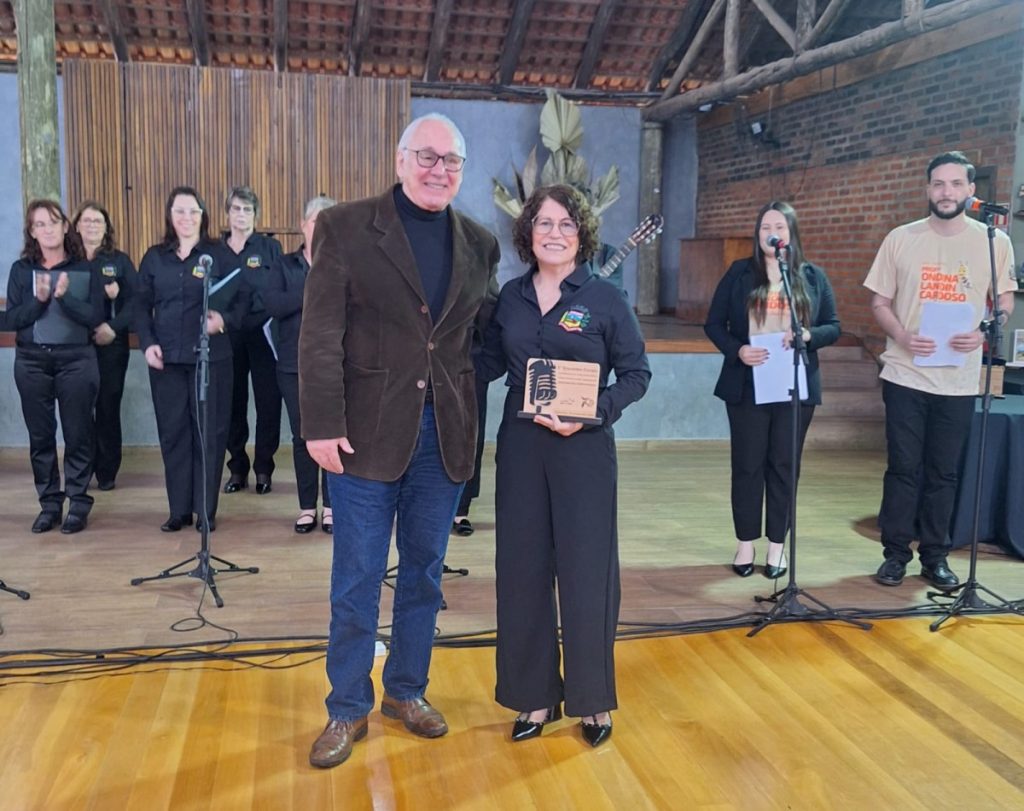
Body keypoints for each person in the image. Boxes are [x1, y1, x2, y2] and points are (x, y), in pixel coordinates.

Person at [299, 113, 499, 769]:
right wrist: (321, 422)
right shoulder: (345, 227)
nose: (439, 169)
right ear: (400, 159)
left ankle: (407, 690)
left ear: (461, 170)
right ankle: (346, 705)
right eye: (427, 156)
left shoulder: (480, 243)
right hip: (362, 434)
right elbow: (319, 333)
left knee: (424, 574)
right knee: (357, 576)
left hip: (443, 437)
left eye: (452, 160)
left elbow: (485, 334)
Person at [477, 185, 651, 748]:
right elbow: (483, 361)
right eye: (544, 223)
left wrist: (595, 411)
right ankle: (534, 695)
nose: (555, 233)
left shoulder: (604, 298)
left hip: (584, 451)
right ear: (528, 233)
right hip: (522, 448)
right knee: (522, 570)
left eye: (566, 224)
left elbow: (636, 374)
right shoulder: (510, 297)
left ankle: (592, 700)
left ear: (582, 234)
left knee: (587, 573)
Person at [865, 150, 1016, 589]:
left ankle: (935, 556)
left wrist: (984, 331)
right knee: (903, 468)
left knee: (944, 472)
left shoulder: (993, 242)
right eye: (938, 184)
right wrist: (903, 335)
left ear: (970, 190)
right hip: (905, 375)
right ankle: (895, 555)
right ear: (927, 189)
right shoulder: (901, 238)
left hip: (958, 379)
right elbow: (879, 302)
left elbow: (1004, 302)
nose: (946, 192)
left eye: (954, 184)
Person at [704, 201, 840, 579]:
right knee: (747, 465)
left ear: (791, 233)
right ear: (758, 233)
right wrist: (738, 350)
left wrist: (808, 336)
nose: (772, 233)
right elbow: (713, 324)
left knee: (784, 465)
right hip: (749, 384)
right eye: (765, 227)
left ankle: (777, 546)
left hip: (794, 384)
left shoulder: (812, 277)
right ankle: (745, 543)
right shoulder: (739, 273)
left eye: (779, 227)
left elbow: (833, 326)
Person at [135, 186, 244, 533]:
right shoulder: (154, 258)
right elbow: (139, 306)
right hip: (166, 361)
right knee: (174, 435)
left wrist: (223, 320)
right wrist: (147, 343)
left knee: (209, 435)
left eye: (193, 211)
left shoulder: (219, 255)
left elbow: (244, 300)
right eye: (179, 211)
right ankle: (179, 510)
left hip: (211, 361)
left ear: (203, 216)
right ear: (170, 216)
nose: (186, 217)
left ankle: (204, 511)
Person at [6, 200, 103, 534]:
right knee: (41, 436)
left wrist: (65, 298)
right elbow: (12, 319)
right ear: (32, 232)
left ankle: (78, 503)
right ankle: (49, 504)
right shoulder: (21, 270)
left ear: (65, 227)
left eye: (52, 222)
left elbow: (95, 317)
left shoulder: (85, 268)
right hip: (32, 361)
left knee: (78, 433)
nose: (47, 229)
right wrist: (40, 300)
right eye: (39, 224)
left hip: (76, 361)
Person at [260, 195, 337, 534]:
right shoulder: (284, 265)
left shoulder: (342, 264)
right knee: (302, 435)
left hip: (333, 364)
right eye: (316, 221)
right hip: (293, 364)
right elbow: (273, 304)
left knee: (332, 433)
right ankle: (307, 507)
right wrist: (312, 289)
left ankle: (331, 507)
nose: (321, 228)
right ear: (304, 225)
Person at [219, 186, 284, 496]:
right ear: (228, 213)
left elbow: (280, 288)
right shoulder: (215, 251)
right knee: (232, 403)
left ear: (255, 215)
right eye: (236, 208)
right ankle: (237, 467)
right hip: (227, 334)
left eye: (247, 210)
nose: (241, 215)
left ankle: (263, 469)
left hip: (263, 333)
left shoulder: (270, 248)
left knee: (268, 403)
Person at [73, 201, 137, 491]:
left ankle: (107, 471)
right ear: (77, 226)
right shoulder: (68, 260)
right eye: (87, 221)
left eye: (97, 221)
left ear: (106, 227)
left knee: (108, 407)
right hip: (76, 346)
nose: (92, 226)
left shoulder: (119, 261)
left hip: (112, 345)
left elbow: (137, 301)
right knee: (79, 409)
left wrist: (113, 326)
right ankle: (81, 469)